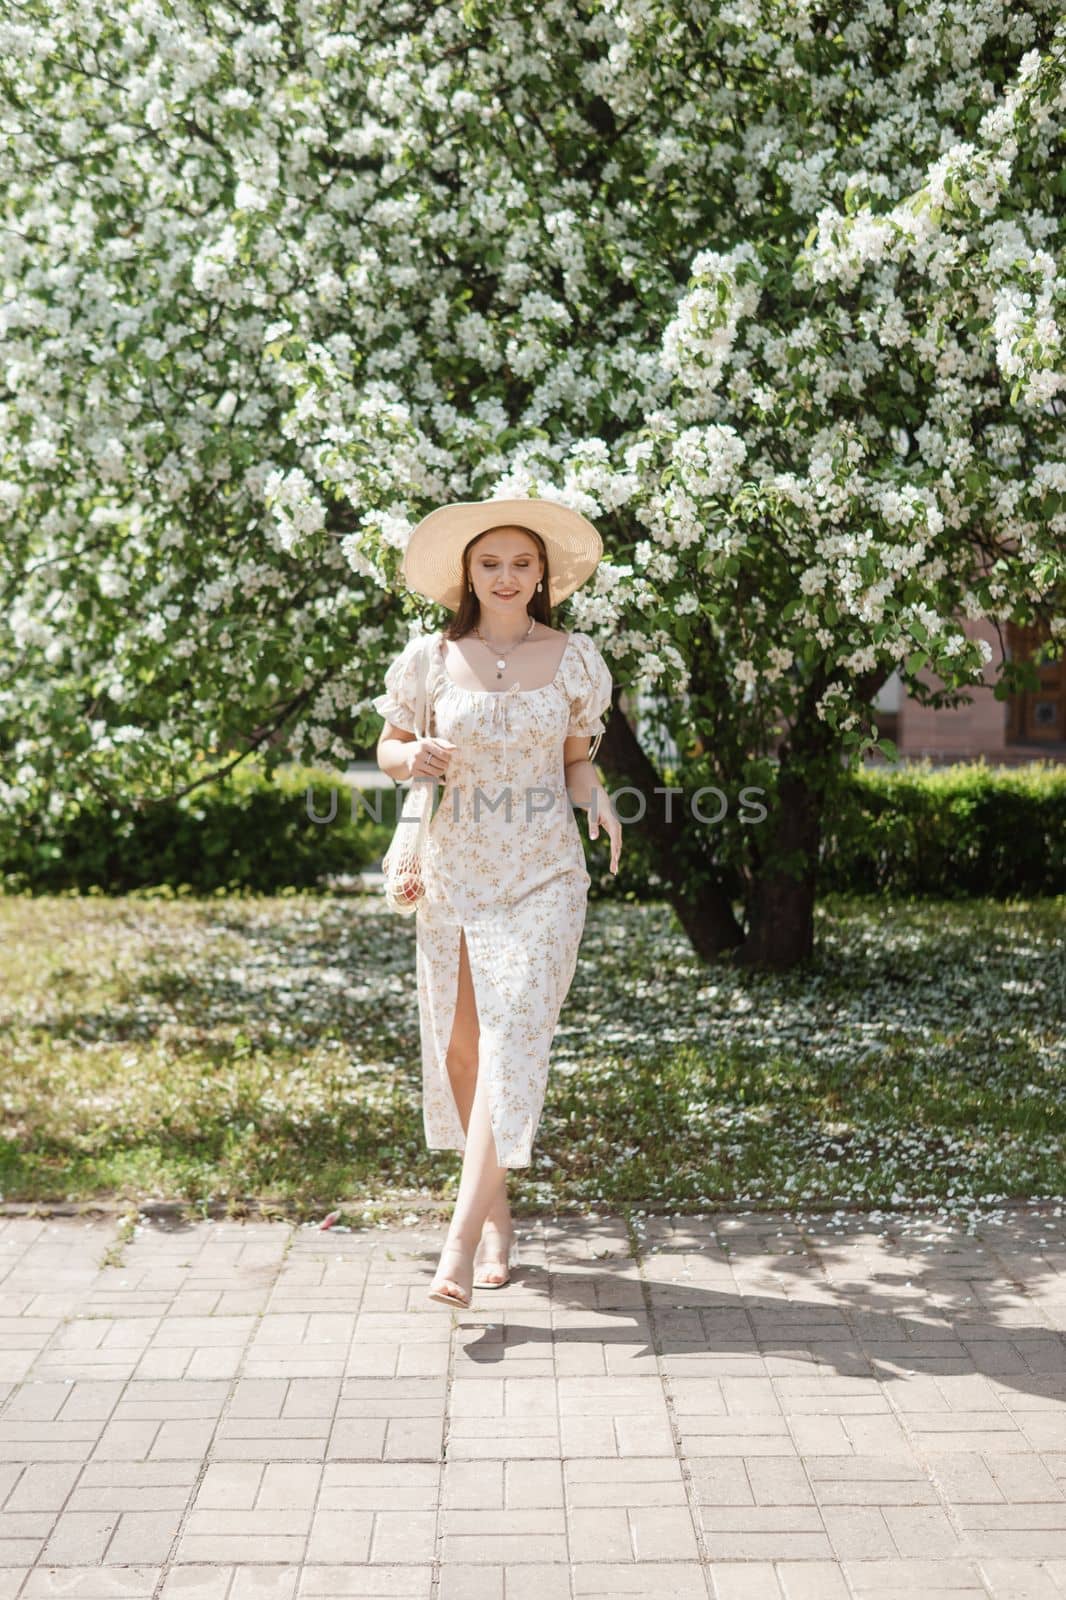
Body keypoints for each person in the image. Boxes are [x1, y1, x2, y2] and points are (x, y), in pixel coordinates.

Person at [372, 497, 622, 1309]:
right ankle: (496, 1212)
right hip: (457, 869)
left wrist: (600, 799)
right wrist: (414, 756)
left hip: (546, 870)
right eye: (491, 564)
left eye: (521, 563)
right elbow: (388, 748)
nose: (507, 577)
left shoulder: (576, 657)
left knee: (516, 1029)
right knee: (463, 1049)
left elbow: (577, 760)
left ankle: (456, 1243)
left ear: (542, 573)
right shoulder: (429, 658)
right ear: (468, 574)